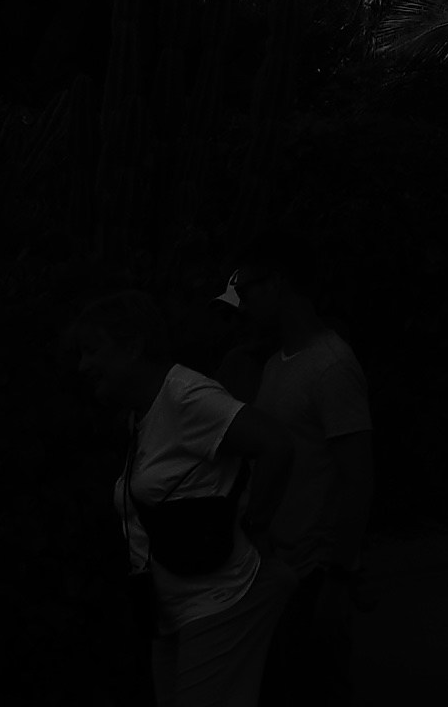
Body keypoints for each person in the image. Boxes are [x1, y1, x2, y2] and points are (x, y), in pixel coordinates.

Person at [81, 296, 278, 707]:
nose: (84, 366)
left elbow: (275, 443)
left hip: (217, 598)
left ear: (132, 346)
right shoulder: (143, 411)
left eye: (92, 350)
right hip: (173, 610)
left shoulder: (186, 396)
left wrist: (257, 525)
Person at [229, 246, 376, 707]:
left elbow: (357, 477)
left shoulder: (331, 367)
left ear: (277, 284)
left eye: (246, 288)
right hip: (277, 569)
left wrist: (339, 575)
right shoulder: (276, 364)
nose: (242, 300)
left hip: (313, 573)